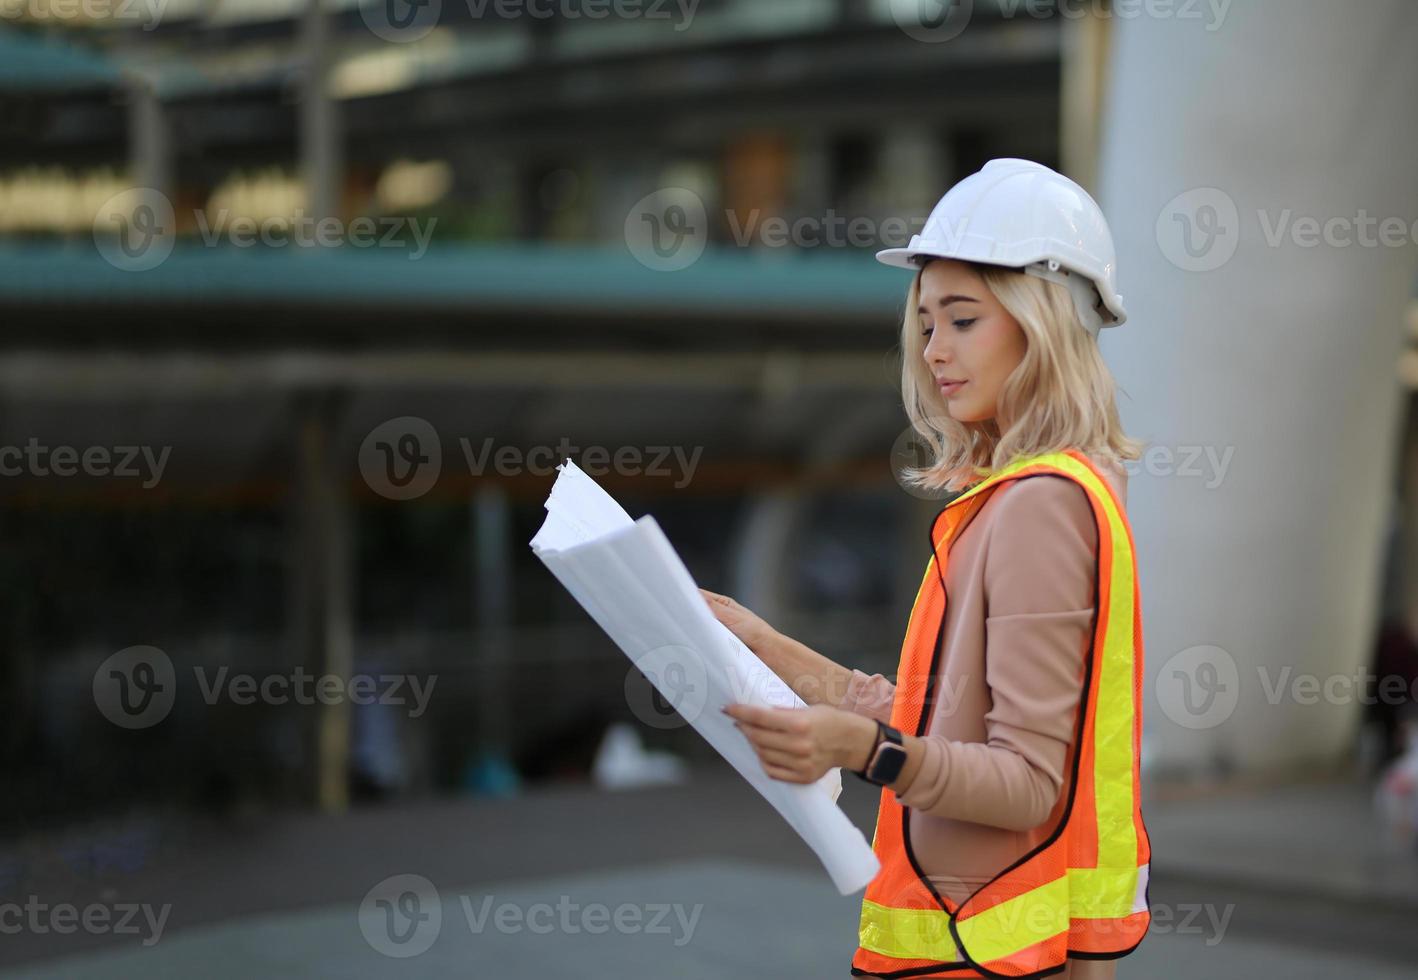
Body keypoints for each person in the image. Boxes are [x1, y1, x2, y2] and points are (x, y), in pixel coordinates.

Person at [707, 159, 1151, 979]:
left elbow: (1026, 785)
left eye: (963, 319)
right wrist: (761, 641)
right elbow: (935, 717)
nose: (934, 350)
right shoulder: (1033, 494)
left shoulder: (1040, 505)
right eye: (925, 322)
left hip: (985, 955)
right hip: (990, 951)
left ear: (1041, 319)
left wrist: (864, 751)